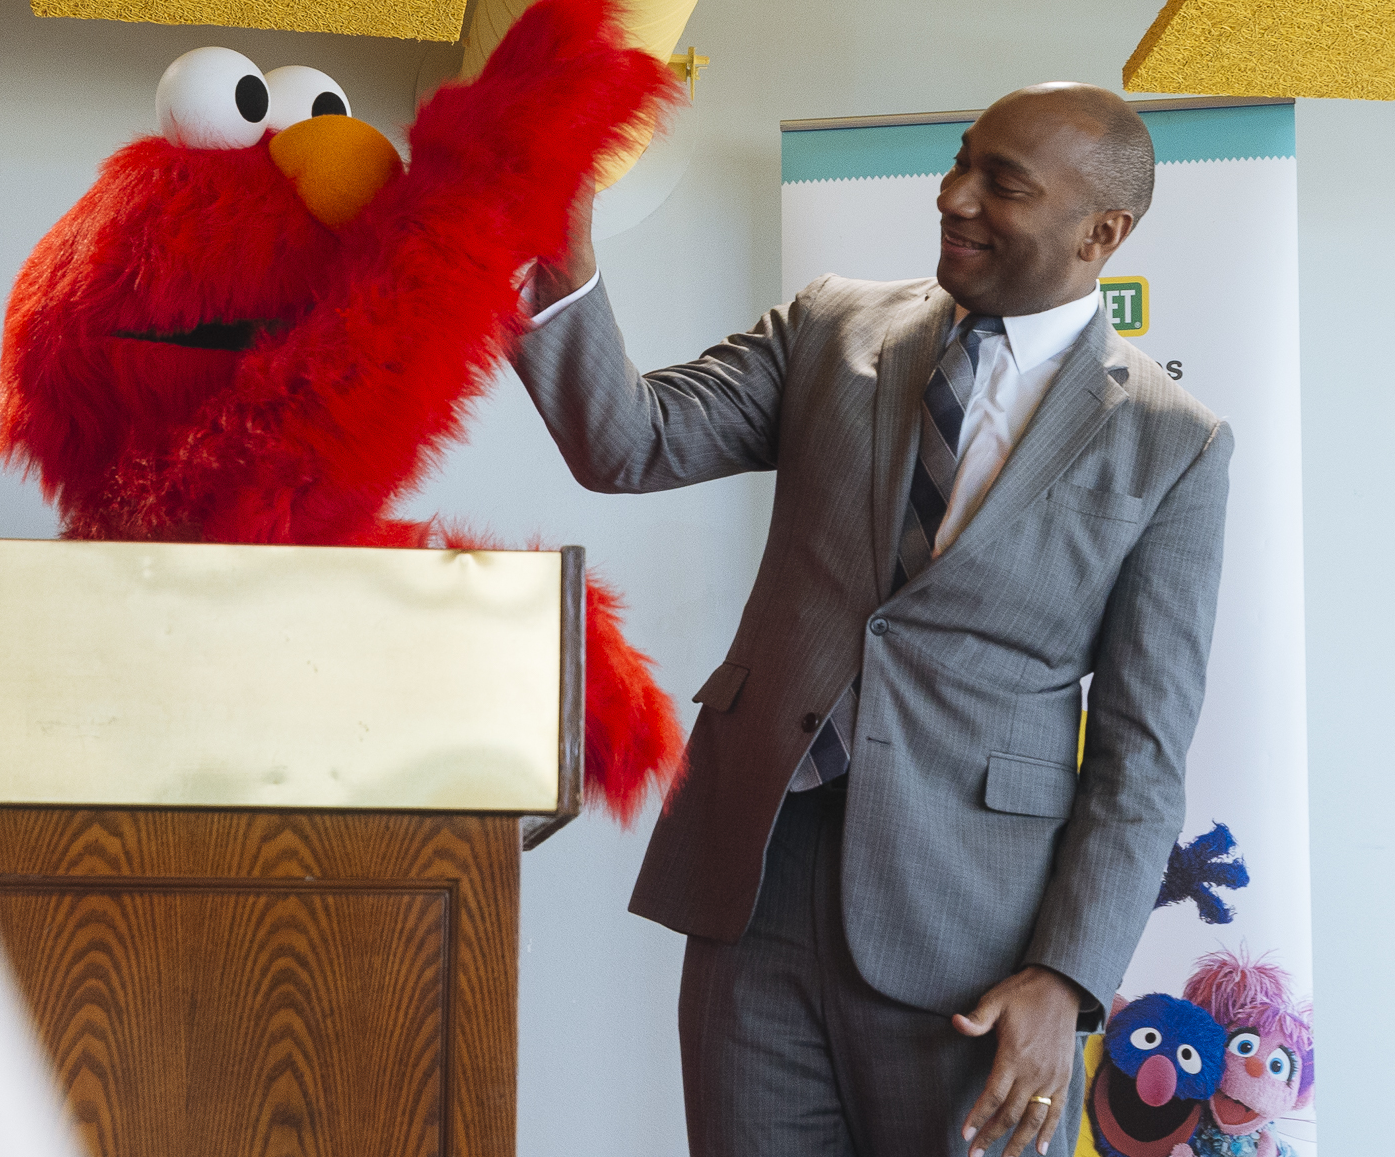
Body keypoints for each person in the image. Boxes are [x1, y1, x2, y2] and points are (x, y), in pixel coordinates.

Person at [513, 82, 1232, 1157]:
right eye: (959, 162)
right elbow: (630, 441)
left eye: (1002, 182)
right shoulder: (830, 326)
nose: (953, 196)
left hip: (974, 944)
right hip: (757, 885)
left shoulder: (1173, 445)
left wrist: (1067, 973)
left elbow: (1141, 749)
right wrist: (561, 272)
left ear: (1101, 233)